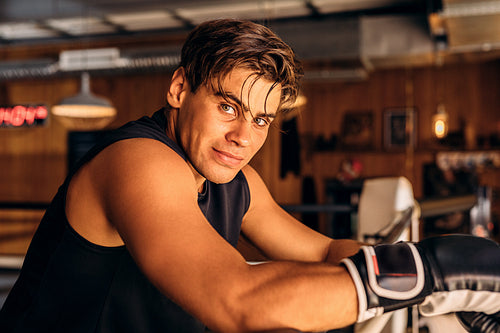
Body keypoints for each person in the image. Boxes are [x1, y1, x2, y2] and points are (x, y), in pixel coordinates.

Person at [0, 19, 498, 333]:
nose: (243, 136)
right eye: (227, 106)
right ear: (179, 89)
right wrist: (433, 268)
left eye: (260, 120)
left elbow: (323, 252)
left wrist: (422, 288)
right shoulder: (138, 161)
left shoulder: (234, 181)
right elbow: (235, 300)